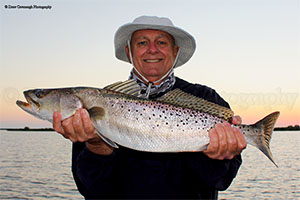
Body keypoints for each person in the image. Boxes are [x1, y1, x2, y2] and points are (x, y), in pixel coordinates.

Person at [53, 16, 247, 199]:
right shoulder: (98, 102)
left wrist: (217, 156)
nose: (152, 49)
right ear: (129, 52)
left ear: (175, 52)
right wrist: (97, 145)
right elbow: (91, 190)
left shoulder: (207, 98)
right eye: (142, 43)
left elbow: (220, 180)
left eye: (161, 42)